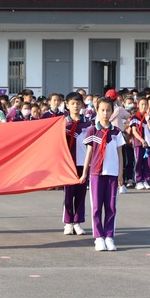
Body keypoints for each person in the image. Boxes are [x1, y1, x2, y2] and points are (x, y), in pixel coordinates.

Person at [80, 97, 125, 252]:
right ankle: (99, 237)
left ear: (113, 112)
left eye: (108, 110)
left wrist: (120, 174)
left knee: (111, 206)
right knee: (97, 206)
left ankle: (109, 236)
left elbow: (120, 154)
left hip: (112, 174)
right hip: (96, 174)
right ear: (97, 111)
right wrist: (84, 172)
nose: (105, 113)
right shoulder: (93, 131)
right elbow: (89, 153)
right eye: (102, 110)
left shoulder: (117, 132)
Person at [62, 92, 92, 236]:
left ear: (82, 105)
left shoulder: (88, 123)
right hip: (68, 163)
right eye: (72, 103)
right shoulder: (62, 123)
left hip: (83, 163)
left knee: (81, 194)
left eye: (78, 103)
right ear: (67, 105)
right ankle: (68, 222)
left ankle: (77, 222)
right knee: (68, 194)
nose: (75, 106)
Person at [130, 96, 150, 190]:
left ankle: (145, 180)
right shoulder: (134, 117)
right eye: (142, 104)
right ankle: (138, 181)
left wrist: (148, 120)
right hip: (138, 143)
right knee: (138, 162)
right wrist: (142, 140)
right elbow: (134, 131)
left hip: (148, 143)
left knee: (147, 162)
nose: (144, 106)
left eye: (146, 104)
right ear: (138, 105)